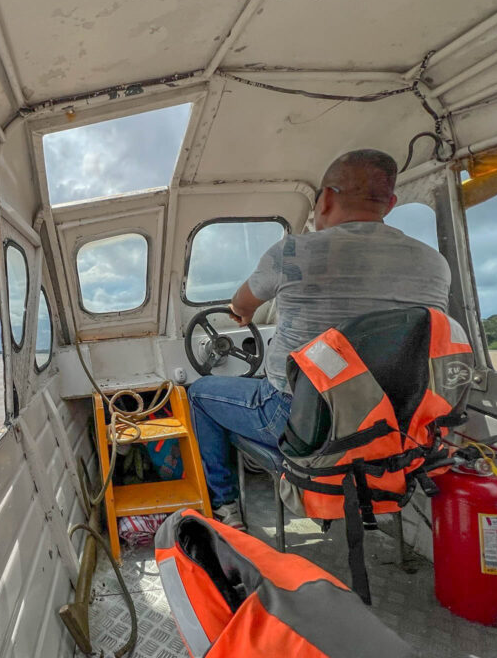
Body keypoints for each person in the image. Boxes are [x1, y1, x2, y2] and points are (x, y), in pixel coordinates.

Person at [189, 149, 451, 528]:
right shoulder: (434, 264)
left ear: (325, 199)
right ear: (390, 204)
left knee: (200, 393)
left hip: (300, 419)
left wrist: (242, 315)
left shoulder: (294, 251)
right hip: (395, 427)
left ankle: (226, 507)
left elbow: (242, 304)